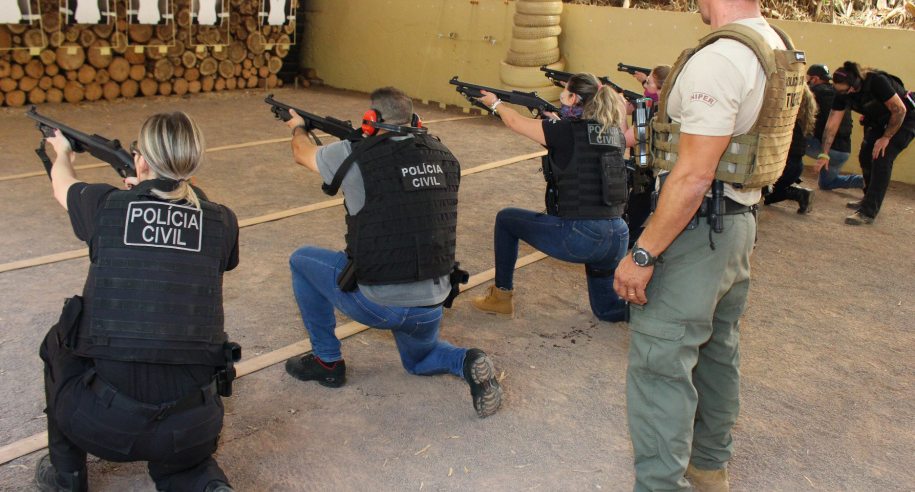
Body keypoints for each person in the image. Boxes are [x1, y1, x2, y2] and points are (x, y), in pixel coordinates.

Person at [613, 0, 806, 488]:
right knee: (718, 349)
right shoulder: (775, 43)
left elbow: (694, 174)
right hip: (740, 224)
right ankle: (708, 466)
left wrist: (645, 251)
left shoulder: (721, 58)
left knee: (660, 361)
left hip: (696, 230)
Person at [37, 113, 239, 492]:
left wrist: (62, 151)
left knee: (57, 342)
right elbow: (194, 236)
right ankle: (206, 484)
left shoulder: (105, 205)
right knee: (181, 460)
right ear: (192, 163)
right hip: (192, 425)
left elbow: (61, 183)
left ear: (140, 161)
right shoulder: (223, 220)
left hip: (103, 425)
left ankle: (67, 476)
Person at [282, 87, 503, 418]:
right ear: (415, 120)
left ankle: (327, 362)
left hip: (377, 300)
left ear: (370, 120)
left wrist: (298, 126)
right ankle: (465, 360)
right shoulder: (444, 156)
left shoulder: (355, 154)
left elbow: (302, 153)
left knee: (301, 261)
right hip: (432, 300)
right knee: (419, 360)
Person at [471, 73, 632, 323]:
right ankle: (659, 312)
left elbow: (514, 121)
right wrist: (554, 122)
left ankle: (501, 297)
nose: (562, 101)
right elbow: (581, 152)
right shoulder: (614, 133)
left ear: (575, 98)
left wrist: (494, 103)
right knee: (607, 310)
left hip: (582, 236)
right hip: (617, 236)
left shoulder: (566, 131)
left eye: (564, 96)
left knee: (506, 219)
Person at [814, 61, 915, 225]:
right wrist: (824, 154)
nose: (842, 94)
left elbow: (900, 110)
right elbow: (832, 125)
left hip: (904, 120)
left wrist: (886, 138)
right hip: (879, 120)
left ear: (853, 85)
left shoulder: (877, 82)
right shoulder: (842, 94)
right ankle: (868, 197)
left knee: (882, 159)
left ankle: (868, 212)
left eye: (844, 91)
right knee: (865, 156)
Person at [762, 68, 818, 214]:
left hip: (785, 164)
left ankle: (796, 193)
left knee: (757, 195)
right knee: (764, 195)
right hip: (794, 165)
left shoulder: (786, 108)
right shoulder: (803, 107)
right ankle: (795, 192)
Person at [627, 65, 670, 247]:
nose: (645, 87)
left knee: (628, 231)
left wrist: (620, 111)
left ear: (661, 89)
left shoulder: (652, 112)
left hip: (648, 172)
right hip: (655, 168)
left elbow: (625, 140)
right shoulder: (665, 108)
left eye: (649, 83)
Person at [804, 64, 862, 191]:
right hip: (843, 152)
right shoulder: (840, 93)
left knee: (792, 141)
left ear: (814, 79)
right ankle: (865, 181)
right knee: (826, 184)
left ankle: (786, 174)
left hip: (828, 150)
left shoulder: (814, 92)